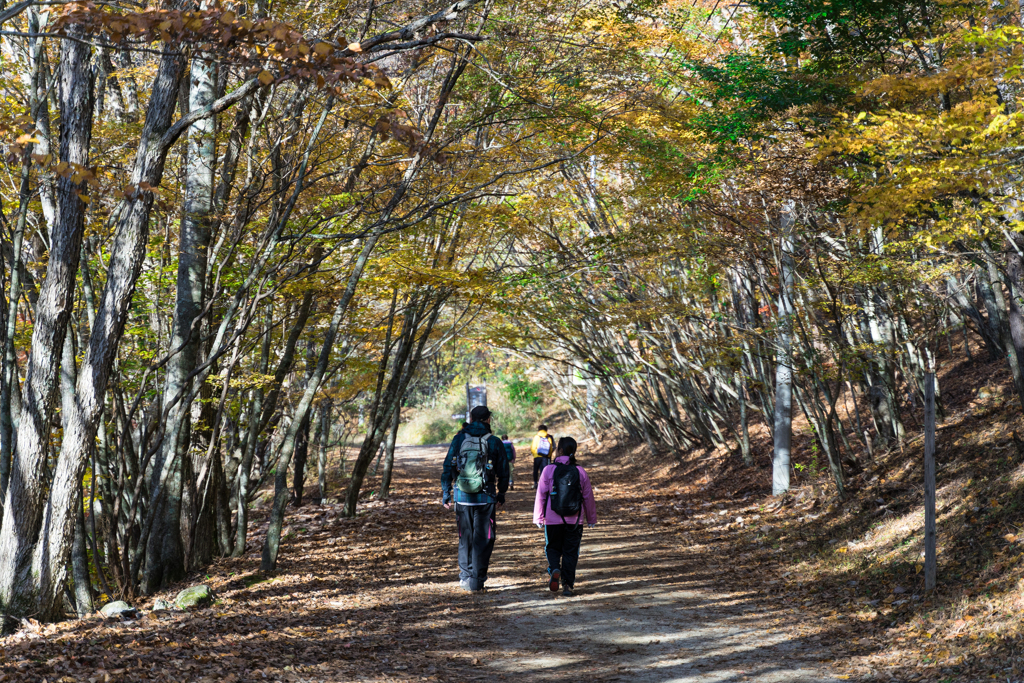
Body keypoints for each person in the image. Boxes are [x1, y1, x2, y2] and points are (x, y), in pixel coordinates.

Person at [441, 406, 509, 592]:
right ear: (488, 420)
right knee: (484, 538)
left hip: (462, 497)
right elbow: (504, 471)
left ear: (471, 419)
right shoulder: (494, 442)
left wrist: (446, 493)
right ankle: (477, 580)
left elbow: (448, 466)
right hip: (486, 497)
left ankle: (465, 577)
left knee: (465, 537)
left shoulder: (459, 439)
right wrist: (501, 493)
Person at [533, 437, 596, 597]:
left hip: (553, 518)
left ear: (559, 451)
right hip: (575, 520)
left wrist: (539, 518)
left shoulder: (548, 470)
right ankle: (567, 585)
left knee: (552, 547)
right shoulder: (580, 471)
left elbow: (541, 495)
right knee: (571, 552)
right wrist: (591, 519)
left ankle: (555, 568)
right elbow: (588, 496)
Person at [531, 424, 553, 489]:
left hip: (537, 456)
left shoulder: (536, 437)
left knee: (535, 470)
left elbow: (533, 447)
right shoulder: (548, 437)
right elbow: (551, 448)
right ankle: (542, 483)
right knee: (543, 470)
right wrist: (548, 456)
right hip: (545, 457)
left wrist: (534, 454)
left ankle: (535, 483)